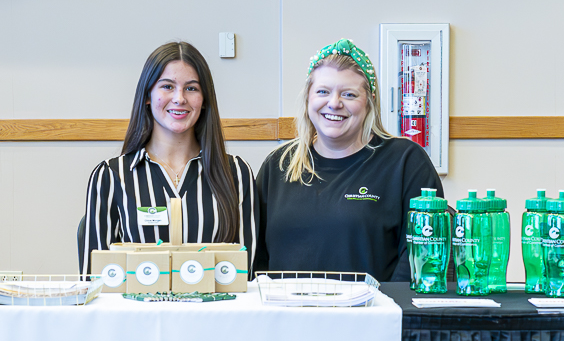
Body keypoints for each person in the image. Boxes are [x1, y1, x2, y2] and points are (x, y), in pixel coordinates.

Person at [254, 39, 443, 282]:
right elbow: (257, 257)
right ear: (308, 98)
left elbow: (422, 256)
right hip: (287, 305)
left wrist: (388, 302)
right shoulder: (278, 165)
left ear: (369, 102)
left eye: (349, 94)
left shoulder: (405, 162)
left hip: (373, 305)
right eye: (323, 91)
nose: (334, 103)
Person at [79, 41, 258, 273]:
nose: (179, 98)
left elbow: (246, 275)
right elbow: (94, 278)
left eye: (191, 88)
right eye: (167, 86)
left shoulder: (237, 174)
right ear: (147, 96)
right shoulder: (111, 176)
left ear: (204, 100)